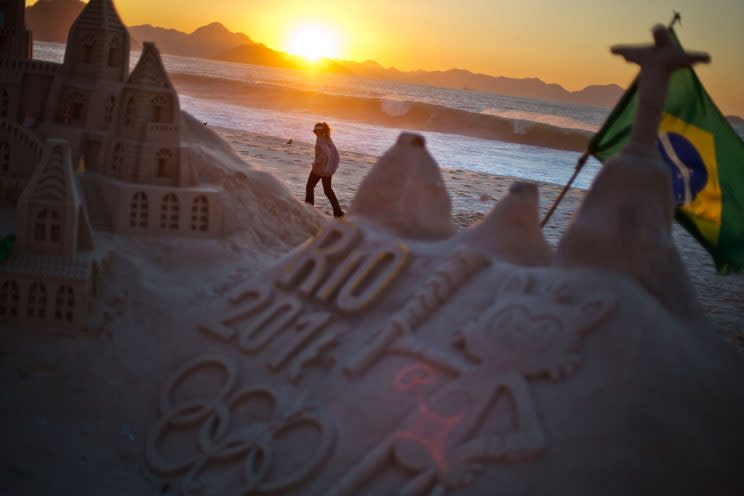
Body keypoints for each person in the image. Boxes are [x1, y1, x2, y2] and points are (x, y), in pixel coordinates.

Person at [306, 122, 344, 217]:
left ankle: (308, 210)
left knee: (309, 187)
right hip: (328, 170)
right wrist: (330, 167)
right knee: (328, 190)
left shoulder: (320, 140)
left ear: (318, 131)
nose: (314, 133)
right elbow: (336, 155)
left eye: (315, 131)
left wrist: (316, 162)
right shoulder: (328, 139)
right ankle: (338, 213)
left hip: (319, 169)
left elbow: (325, 154)